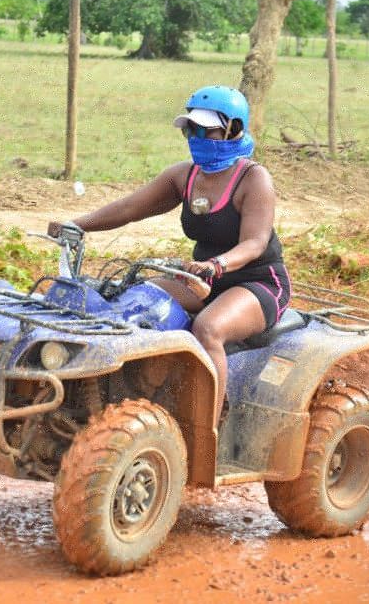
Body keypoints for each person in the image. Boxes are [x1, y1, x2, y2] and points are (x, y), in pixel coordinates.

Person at [49, 85, 290, 425]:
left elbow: (254, 243)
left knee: (208, 328)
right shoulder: (185, 175)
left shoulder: (253, 178)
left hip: (255, 282)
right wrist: (75, 225)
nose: (197, 136)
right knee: (135, 302)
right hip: (201, 278)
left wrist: (215, 264)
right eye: (192, 129)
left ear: (233, 129)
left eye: (206, 129)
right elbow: (131, 207)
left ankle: (208, 426)